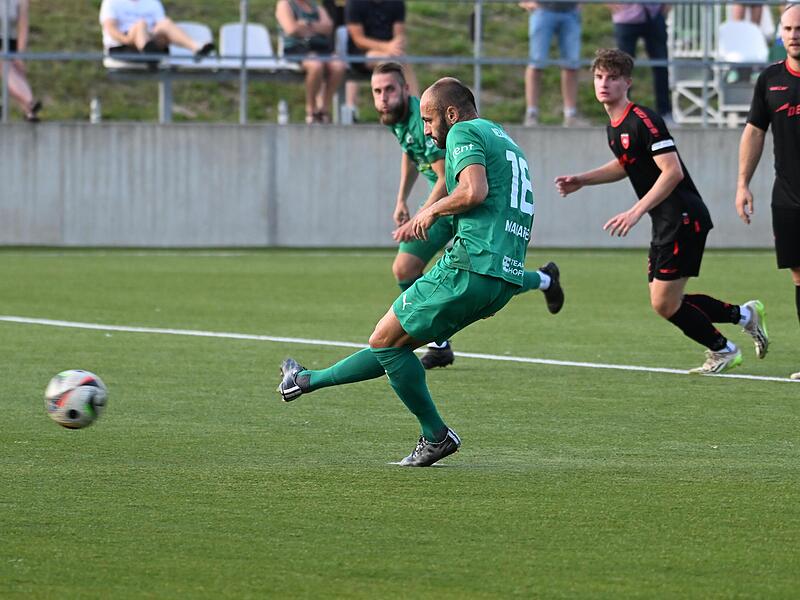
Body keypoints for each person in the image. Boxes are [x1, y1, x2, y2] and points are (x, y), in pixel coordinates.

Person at [277, 77, 562, 466]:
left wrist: (430, 208)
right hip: (502, 278)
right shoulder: (506, 141)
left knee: (384, 342)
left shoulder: (463, 130)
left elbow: (472, 192)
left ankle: (436, 435)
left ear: (450, 113)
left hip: (468, 267)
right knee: (393, 344)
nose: (426, 130)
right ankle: (304, 381)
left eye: (429, 120)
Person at [555, 48, 768, 374]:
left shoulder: (643, 120)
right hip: (667, 219)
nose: (604, 84)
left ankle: (724, 349)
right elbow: (627, 164)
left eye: (612, 78)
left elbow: (672, 171)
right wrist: (582, 180)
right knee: (665, 300)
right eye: (599, 77)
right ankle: (744, 316)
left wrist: (635, 211)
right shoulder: (615, 123)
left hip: (683, 216)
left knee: (665, 303)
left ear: (627, 82)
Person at [373, 61, 565, 369]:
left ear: (405, 89)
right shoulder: (400, 121)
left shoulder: (432, 120)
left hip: (450, 199)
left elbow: (444, 177)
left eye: (389, 89)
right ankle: (544, 279)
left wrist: (425, 214)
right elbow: (410, 156)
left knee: (406, 267)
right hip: (451, 198)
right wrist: (401, 200)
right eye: (377, 91)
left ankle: (435, 340)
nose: (383, 97)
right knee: (491, 269)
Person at [736, 4, 800, 379]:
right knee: (798, 276)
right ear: (780, 32)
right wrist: (743, 183)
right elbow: (755, 131)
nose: (795, 34)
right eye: (789, 28)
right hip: (789, 196)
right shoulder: (770, 79)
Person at [344, 0, 417, 121]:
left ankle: (416, 107)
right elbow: (359, 40)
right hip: (361, 54)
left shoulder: (397, 3)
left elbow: (399, 34)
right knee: (387, 62)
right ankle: (389, 111)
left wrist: (396, 46)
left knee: (403, 60)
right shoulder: (354, 3)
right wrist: (387, 47)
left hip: (391, 52)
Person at [276, 0, 347, 124]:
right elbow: (291, 29)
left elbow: (329, 27)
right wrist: (316, 27)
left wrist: (306, 25)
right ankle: (311, 108)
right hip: (297, 48)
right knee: (316, 66)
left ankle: (323, 108)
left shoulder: (315, 7)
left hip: (320, 48)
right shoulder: (285, 4)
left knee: (338, 66)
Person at [519, 2, 585, 127]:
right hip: (542, 10)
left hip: (571, 12)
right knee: (536, 63)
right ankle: (531, 113)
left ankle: (570, 114)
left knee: (571, 65)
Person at [609, 3, 673, 122]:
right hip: (625, 17)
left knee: (661, 67)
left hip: (654, 15)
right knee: (622, 69)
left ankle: (665, 112)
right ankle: (621, 114)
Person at [99, 0, 215, 63]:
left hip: (152, 38)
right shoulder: (111, 2)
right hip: (124, 44)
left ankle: (196, 48)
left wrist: (163, 38)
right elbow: (110, 28)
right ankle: (148, 52)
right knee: (141, 25)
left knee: (166, 23)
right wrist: (127, 40)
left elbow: (161, 26)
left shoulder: (153, 2)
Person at [0, 0, 41, 122]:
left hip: (11, 41)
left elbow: (23, 27)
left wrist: (20, 55)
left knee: (17, 71)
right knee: (4, 65)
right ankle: (29, 103)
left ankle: (29, 110)